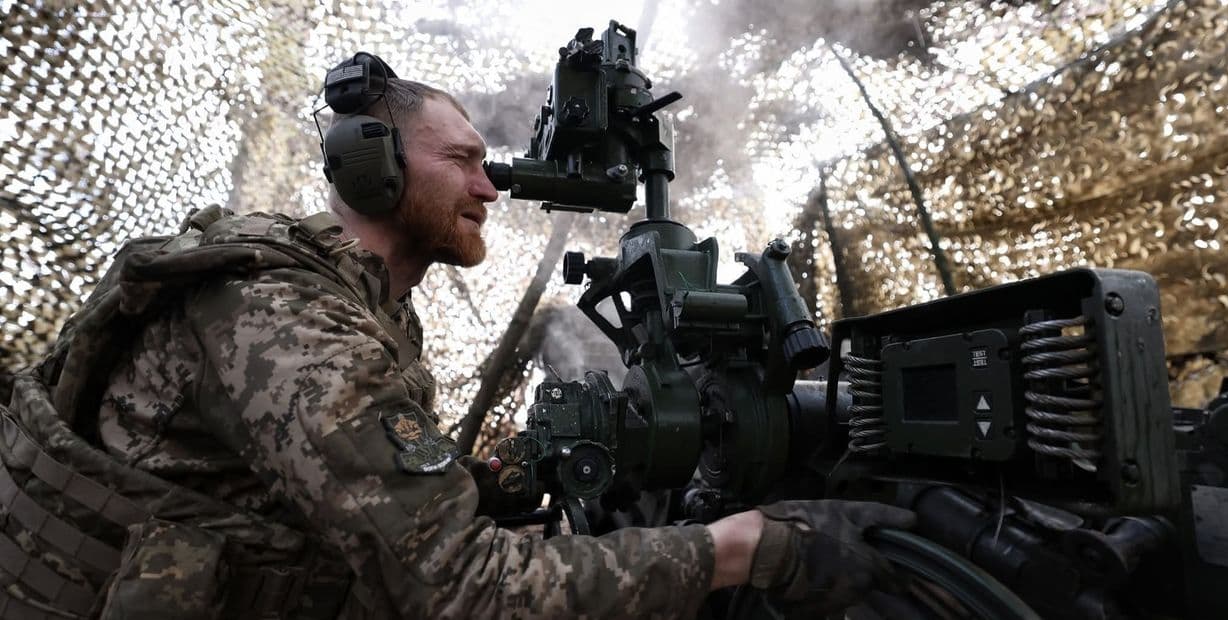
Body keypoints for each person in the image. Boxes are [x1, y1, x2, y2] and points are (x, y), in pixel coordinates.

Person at [0, 55, 914, 619]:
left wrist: (484, 486)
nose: (490, 188)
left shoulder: (367, 313)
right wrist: (747, 546)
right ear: (376, 166)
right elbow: (464, 591)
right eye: (464, 161)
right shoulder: (282, 323)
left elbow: (338, 496)